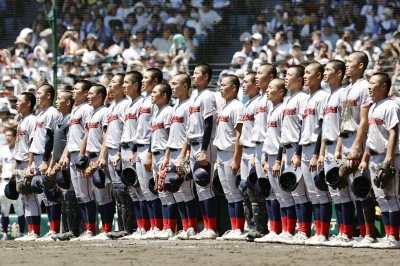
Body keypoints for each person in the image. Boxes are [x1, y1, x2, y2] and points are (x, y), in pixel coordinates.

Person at [334, 51, 375, 247]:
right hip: (348, 139)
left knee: (363, 187)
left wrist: (357, 148)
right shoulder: (346, 89)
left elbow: (365, 121)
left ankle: (370, 235)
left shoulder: (364, 87)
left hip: (361, 140)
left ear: (360, 66)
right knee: (354, 189)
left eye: (350, 61)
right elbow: (344, 121)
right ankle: (361, 233)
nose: (347, 64)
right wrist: (341, 147)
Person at [360, 73, 400, 248]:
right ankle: (388, 236)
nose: (369, 86)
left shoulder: (390, 106)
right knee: (382, 199)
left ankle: (394, 238)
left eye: (373, 83)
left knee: (392, 197)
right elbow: (371, 138)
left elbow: (394, 132)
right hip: (374, 157)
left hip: (387, 157)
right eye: (369, 83)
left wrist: (388, 159)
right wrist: (364, 158)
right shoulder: (374, 107)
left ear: (383, 86)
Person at [179, 63, 218, 240]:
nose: (193, 76)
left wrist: (203, 150)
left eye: (196, 74)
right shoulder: (195, 96)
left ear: (206, 77)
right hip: (193, 144)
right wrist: (186, 152)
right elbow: (188, 127)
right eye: (193, 74)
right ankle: (206, 228)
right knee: (199, 189)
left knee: (205, 187)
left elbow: (209, 124)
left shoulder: (208, 96)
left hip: (205, 143)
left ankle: (212, 228)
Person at [318, 60, 353, 247]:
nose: (324, 72)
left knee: (344, 192)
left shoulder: (344, 93)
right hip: (329, 147)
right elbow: (325, 128)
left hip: (341, 146)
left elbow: (344, 124)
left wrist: (338, 148)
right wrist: (322, 152)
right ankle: (342, 232)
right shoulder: (327, 96)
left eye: (328, 69)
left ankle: (347, 233)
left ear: (339, 73)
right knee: (335, 193)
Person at [274, 65, 310, 244]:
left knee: (301, 194)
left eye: (289, 75)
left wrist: (298, 152)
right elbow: (283, 133)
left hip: (297, 148)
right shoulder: (288, 100)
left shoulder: (302, 98)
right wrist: (279, 158)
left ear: (299, 79)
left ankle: (303, 232)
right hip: (286, 148)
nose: (285, 77)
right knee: (290, 194)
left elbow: (304, 127)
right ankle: (290, 231)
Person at [128, 68, 161, 240]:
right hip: (138, 148)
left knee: (151, 190)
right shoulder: (143, 102)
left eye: (146, 78)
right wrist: (133, 150)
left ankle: (156, 226)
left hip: (149, 149)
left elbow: (153, 129)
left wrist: (149, 152)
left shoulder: (153, 102)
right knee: (142, 192)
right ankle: (145, 227)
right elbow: (139, 130)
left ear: (155, 81)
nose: (142, 81)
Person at [299, 63, 330, 245]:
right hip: (304, 147)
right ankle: (316, 232)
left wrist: (317, 153)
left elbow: (322, 129)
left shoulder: (322, 97)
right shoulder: (308, 99)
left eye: (308, 72)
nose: (304, 76)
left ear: (318, 76)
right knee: (311, 193)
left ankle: (323, 233)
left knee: (320, 192)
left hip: (315, 148)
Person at [97, 73, 132, 239]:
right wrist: (102, 156)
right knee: (117, 193)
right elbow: (106, 135)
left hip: (121, 151)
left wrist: (118, 152)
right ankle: (121, 227)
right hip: (110, 152)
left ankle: (130, 228)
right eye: (109, 83)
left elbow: (126, 131)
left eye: (114, 83)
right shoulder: (110, 107)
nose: (110, 86)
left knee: (123, 191)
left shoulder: (126, 105)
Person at [80, 84, 115, 241]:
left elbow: (106, 136)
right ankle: (104, 230)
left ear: (100, 96)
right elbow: (88, 138)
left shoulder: (104, 112)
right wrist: (87, 159)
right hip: (93, 157)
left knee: (105, 195)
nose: (88, 96)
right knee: (100, 197)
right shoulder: (92, 114)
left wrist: (101, 158)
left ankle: (107, 230)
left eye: (91, 94)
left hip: (102, 159)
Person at [246, 63, 277, 242]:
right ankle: (262, 229)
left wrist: (264, 155)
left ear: (270, 77)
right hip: (257, 148)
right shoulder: (259, 100)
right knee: (259, 190)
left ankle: (275, 229)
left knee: (271, 190)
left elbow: (270, 129)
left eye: (260, 73)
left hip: (268, 148)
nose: (256, 76)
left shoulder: (270, 99)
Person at [62, 80, 96, 241]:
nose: (73, 91)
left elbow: (88, 133)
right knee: (80, 195)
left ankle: (90, 230)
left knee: (87, 194)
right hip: (73, 153)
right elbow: (71, 137)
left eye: (76, 89)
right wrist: (66, 155)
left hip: (83, 155)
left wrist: (84, 155)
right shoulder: (76, 109)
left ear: (85, 92)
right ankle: (85, 229)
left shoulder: (88, 109)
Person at [166, 73, 197, 240]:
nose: (172, 86)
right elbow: (172, 135)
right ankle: (185, 228)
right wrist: (167, 156)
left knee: (187, 191)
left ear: (185, 86)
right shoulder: (175, 106)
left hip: (183, 153)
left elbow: (188, 133)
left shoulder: (189, 105)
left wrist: (183, 155)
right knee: (177, 193)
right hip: (174, 152)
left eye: (175, 83)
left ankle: (191, 228)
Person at [46, 91, 81, 241]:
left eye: (60, 98)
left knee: (73, 197)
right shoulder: (58, 120)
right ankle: (67, 230)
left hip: (68, 161)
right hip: (58, 163)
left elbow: (69, 142)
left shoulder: (70, 119)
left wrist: (64, 158)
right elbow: (55, 147)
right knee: (64, 198)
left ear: (68, 102)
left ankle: (75, 230)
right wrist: (51, 165)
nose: (56, 100)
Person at [28, 84, 61, 241]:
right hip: (39, 157)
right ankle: (52, 230)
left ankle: (55, 231)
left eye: (40, 93)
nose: (37, 95)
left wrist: (47, 160)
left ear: (49, 95)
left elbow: (51, 139)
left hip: (45, 157)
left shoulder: (52, 113)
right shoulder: (41, 114)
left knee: (50, 193)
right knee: (45, 196)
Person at [213, 75, 245, 240]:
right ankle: (234, 228)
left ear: (233, 88)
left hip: (231, 153)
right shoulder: (225, 107)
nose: (220, 87)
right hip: (221, 153)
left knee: (235, 193)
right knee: (229, 194)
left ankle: (239, 229)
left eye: (224, 85)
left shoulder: (237, 106)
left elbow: (239, 134)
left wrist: (236, 158)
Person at [256, 78, 287, 243]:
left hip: (279, 156)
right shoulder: (273, 109)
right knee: (272, 194)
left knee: (283, 195)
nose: (267, 90)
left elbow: (283, 137)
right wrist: (265, 157)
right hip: (270, 154)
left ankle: (285, 231)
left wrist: (279, 159)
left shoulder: (283, 109)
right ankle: (275, 230)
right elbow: (270, 136)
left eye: (271, 88)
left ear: (281, 92)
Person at [118, 71, 148, 240]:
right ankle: (140, 227)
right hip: (124, 148)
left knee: (142, 190)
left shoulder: (141, 103)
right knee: (133, 192)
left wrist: (134, 150)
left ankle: (147, 227)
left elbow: (140, 131)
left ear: (136, 85)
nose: (124, 85)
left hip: (134, 148)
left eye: (127, 82)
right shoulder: (128, 105)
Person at [149, 83, 176, 240]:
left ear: (164, 95)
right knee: (161, 193)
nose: (151, 95)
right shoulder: (157, 112)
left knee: (167, 192)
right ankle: (165, 227)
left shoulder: (168, 111)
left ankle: (170, 228)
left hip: (166, 155)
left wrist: (167, 156)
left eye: (155, 92)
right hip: (156, 155)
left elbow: (170, 135)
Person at [13, 92, 39, 241]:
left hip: (28, 163)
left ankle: (34, 232)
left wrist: (31, 165)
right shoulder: (22, 120)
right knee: (25, 198)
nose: (16, 103)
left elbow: (33, 144)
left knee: (32, 197)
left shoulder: (32, 120)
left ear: (28, 103)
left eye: (19, 101)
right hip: (21, 162)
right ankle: (30, 231)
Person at [238, 72, 260, 237]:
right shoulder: (247, 104)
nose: (243, 85)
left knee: (255, 191)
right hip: (245, 150)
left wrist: (254, 153)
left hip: (254, 150)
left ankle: (259, 227)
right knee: (244, 190)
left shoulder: (259, 102)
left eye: (246, 82)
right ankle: (251, 227)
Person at [0, 128, 25, 240]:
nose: (8, 137)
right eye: (6, 135)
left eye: (10, 135)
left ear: (15, 137)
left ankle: (21, 233)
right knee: (4, 210)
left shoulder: (18, 150)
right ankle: (4, 233)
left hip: (15, 181)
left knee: (19, 208)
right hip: (4, 181)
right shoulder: (2, 150)